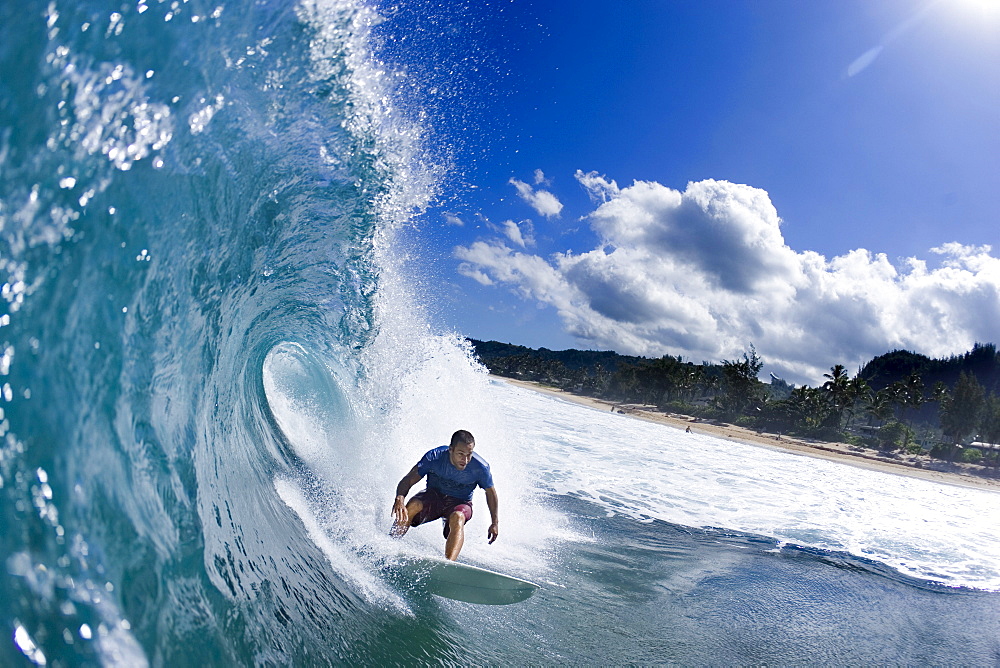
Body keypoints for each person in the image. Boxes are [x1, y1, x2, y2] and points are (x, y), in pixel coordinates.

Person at [390, 429, 499, 561]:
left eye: (469, 454)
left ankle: (448, 565)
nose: (465, 460)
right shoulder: (434, 457)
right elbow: (408, 479)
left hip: (460, 504)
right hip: (433, 498)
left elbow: (491, 493)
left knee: (458, 517)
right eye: (460, 454)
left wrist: (494, 523)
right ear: (451, 450)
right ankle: (390, 544)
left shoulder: (480, 467)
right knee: (413, 505)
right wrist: (400, 498)